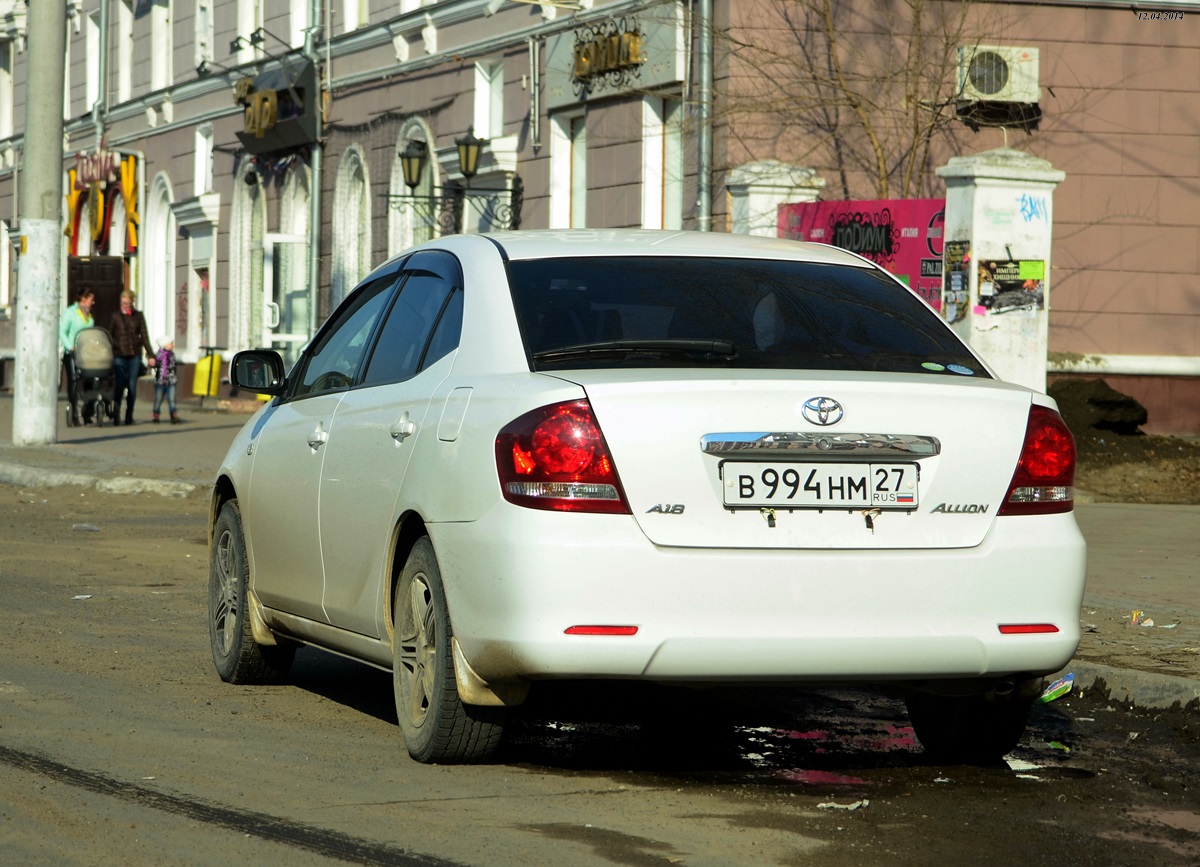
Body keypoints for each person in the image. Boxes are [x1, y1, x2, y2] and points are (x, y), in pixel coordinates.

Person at [108, 290, 156, 425]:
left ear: (132, 302)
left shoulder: (139, 316)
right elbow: (109, 335)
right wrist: (115, 346)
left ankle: (129, 415)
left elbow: (145, 336)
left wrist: (151, 355)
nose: (125, 306)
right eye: (123, 303)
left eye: (127, 303)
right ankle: (116, 412)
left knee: (132, 386)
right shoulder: (115, 316)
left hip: (134, 355)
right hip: (119, 355)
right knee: (120, 384)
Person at [58, 289, 95, 425]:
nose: (93, 302)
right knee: (74, 381)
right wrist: (70, 346)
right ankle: (74, 412)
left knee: (90, 380)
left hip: (87, 353)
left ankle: (87, 412)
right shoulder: (71, 312)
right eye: (91, 299)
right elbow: (62, 332)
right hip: (72, 353)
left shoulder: (89, 314)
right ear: (84, 300)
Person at [152, 336, 180, 424]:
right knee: (158, 399)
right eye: (171, 344)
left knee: (171, 399)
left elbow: (174, 367)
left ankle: (173, 415)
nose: (173, 345)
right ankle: (156, 415)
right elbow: (154, 364)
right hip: (160, 381)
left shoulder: (172, 355)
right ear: (165, 345)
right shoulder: (159, 355)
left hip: (171, 381)